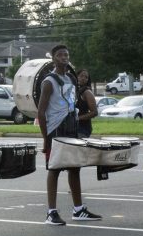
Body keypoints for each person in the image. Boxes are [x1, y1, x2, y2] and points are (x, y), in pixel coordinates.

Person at [37, 45, 102, 225]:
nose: (64, 57)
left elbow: (71, 103)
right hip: (56, 129)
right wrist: (45, 139)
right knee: (54, 169)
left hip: (71, 126)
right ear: (53, 59)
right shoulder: (49, 81)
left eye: (66, 54)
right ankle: (51, 212)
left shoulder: (71, 79)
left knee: (74, 168)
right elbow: (41, 112)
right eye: (60, 55)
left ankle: (78, 210)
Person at [75, 69, 98, 138]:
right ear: (76, 76)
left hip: (82, 129)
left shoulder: (87, 92)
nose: (83, 78)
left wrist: (78, 118)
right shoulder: (74, 90)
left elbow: (94, 112)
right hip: (72, 128)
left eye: (86, 77)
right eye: (81, 76)